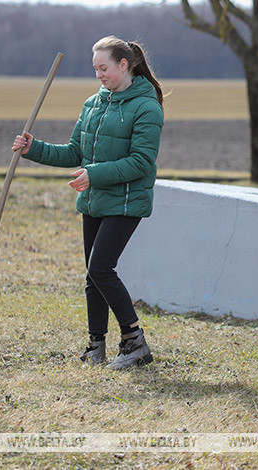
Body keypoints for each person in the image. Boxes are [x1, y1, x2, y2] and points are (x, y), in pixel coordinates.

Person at [12, 36, 163, 369]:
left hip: (126, 200)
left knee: (101, 268)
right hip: (94, 200)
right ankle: (96, 347)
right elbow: (74, 153)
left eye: (104, 68)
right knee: (92, 276)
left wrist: (93, 174)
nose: (99, 75)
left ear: (124, 65)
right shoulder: (94, 103)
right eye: (95, 69)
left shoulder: (147, 106)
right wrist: (33, 148)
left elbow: (141, 162)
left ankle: (134, 342)